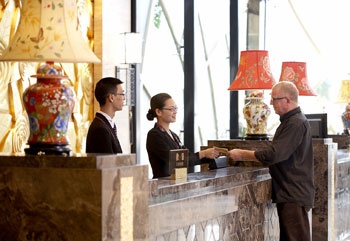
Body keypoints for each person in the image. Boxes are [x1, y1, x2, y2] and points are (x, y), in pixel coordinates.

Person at [227, 81, 314, 241]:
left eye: (274, 99)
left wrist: (242, 154)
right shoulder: (290, 121)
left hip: (293, 193)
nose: (270, 103)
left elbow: (275, 154)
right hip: (290, 192)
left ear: (287, 100)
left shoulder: (295, 122)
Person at [146, 93, 220, 178]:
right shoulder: (154, 135)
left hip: (178, 181)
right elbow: (174, 161)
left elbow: (188, 157)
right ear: (158, 111)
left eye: (175, 108)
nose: (175, 112)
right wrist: (203, 153)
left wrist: (209, 155)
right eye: (171, 109)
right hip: (164, 185)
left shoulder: (173, 135)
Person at [86, 77, 125, 154]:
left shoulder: (106, 124)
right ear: (111, 97)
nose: (124, 98)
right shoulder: (100, 129)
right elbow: (108, 163)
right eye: (122, 94)